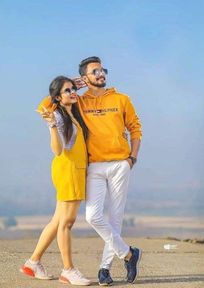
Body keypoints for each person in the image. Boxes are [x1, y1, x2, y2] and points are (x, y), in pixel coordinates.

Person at [74, 56, 142, 286]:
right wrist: (74, 86)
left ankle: (105, 269)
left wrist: (132, 158)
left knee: (115, 218)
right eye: (95, 71)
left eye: (102, 70)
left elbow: (135, 128)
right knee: (92, 216)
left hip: (120, 164)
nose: (101, 74)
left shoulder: (122, 99)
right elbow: (50, 105)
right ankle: (129, 254)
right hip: (94, 165)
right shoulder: (80, 102)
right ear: (85, 78)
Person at [20, 76, 91, 286]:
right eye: (67, 91)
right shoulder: (58, 116)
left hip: (74, 170)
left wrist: (72, 86)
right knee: (67, 223)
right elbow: (58, 150)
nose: (72, 93)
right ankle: (68, 270)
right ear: (58, 97)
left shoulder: (71, 113)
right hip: (67, 170)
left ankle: (32, 263)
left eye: (73, 89)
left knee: (57, 221)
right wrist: (51, 125)